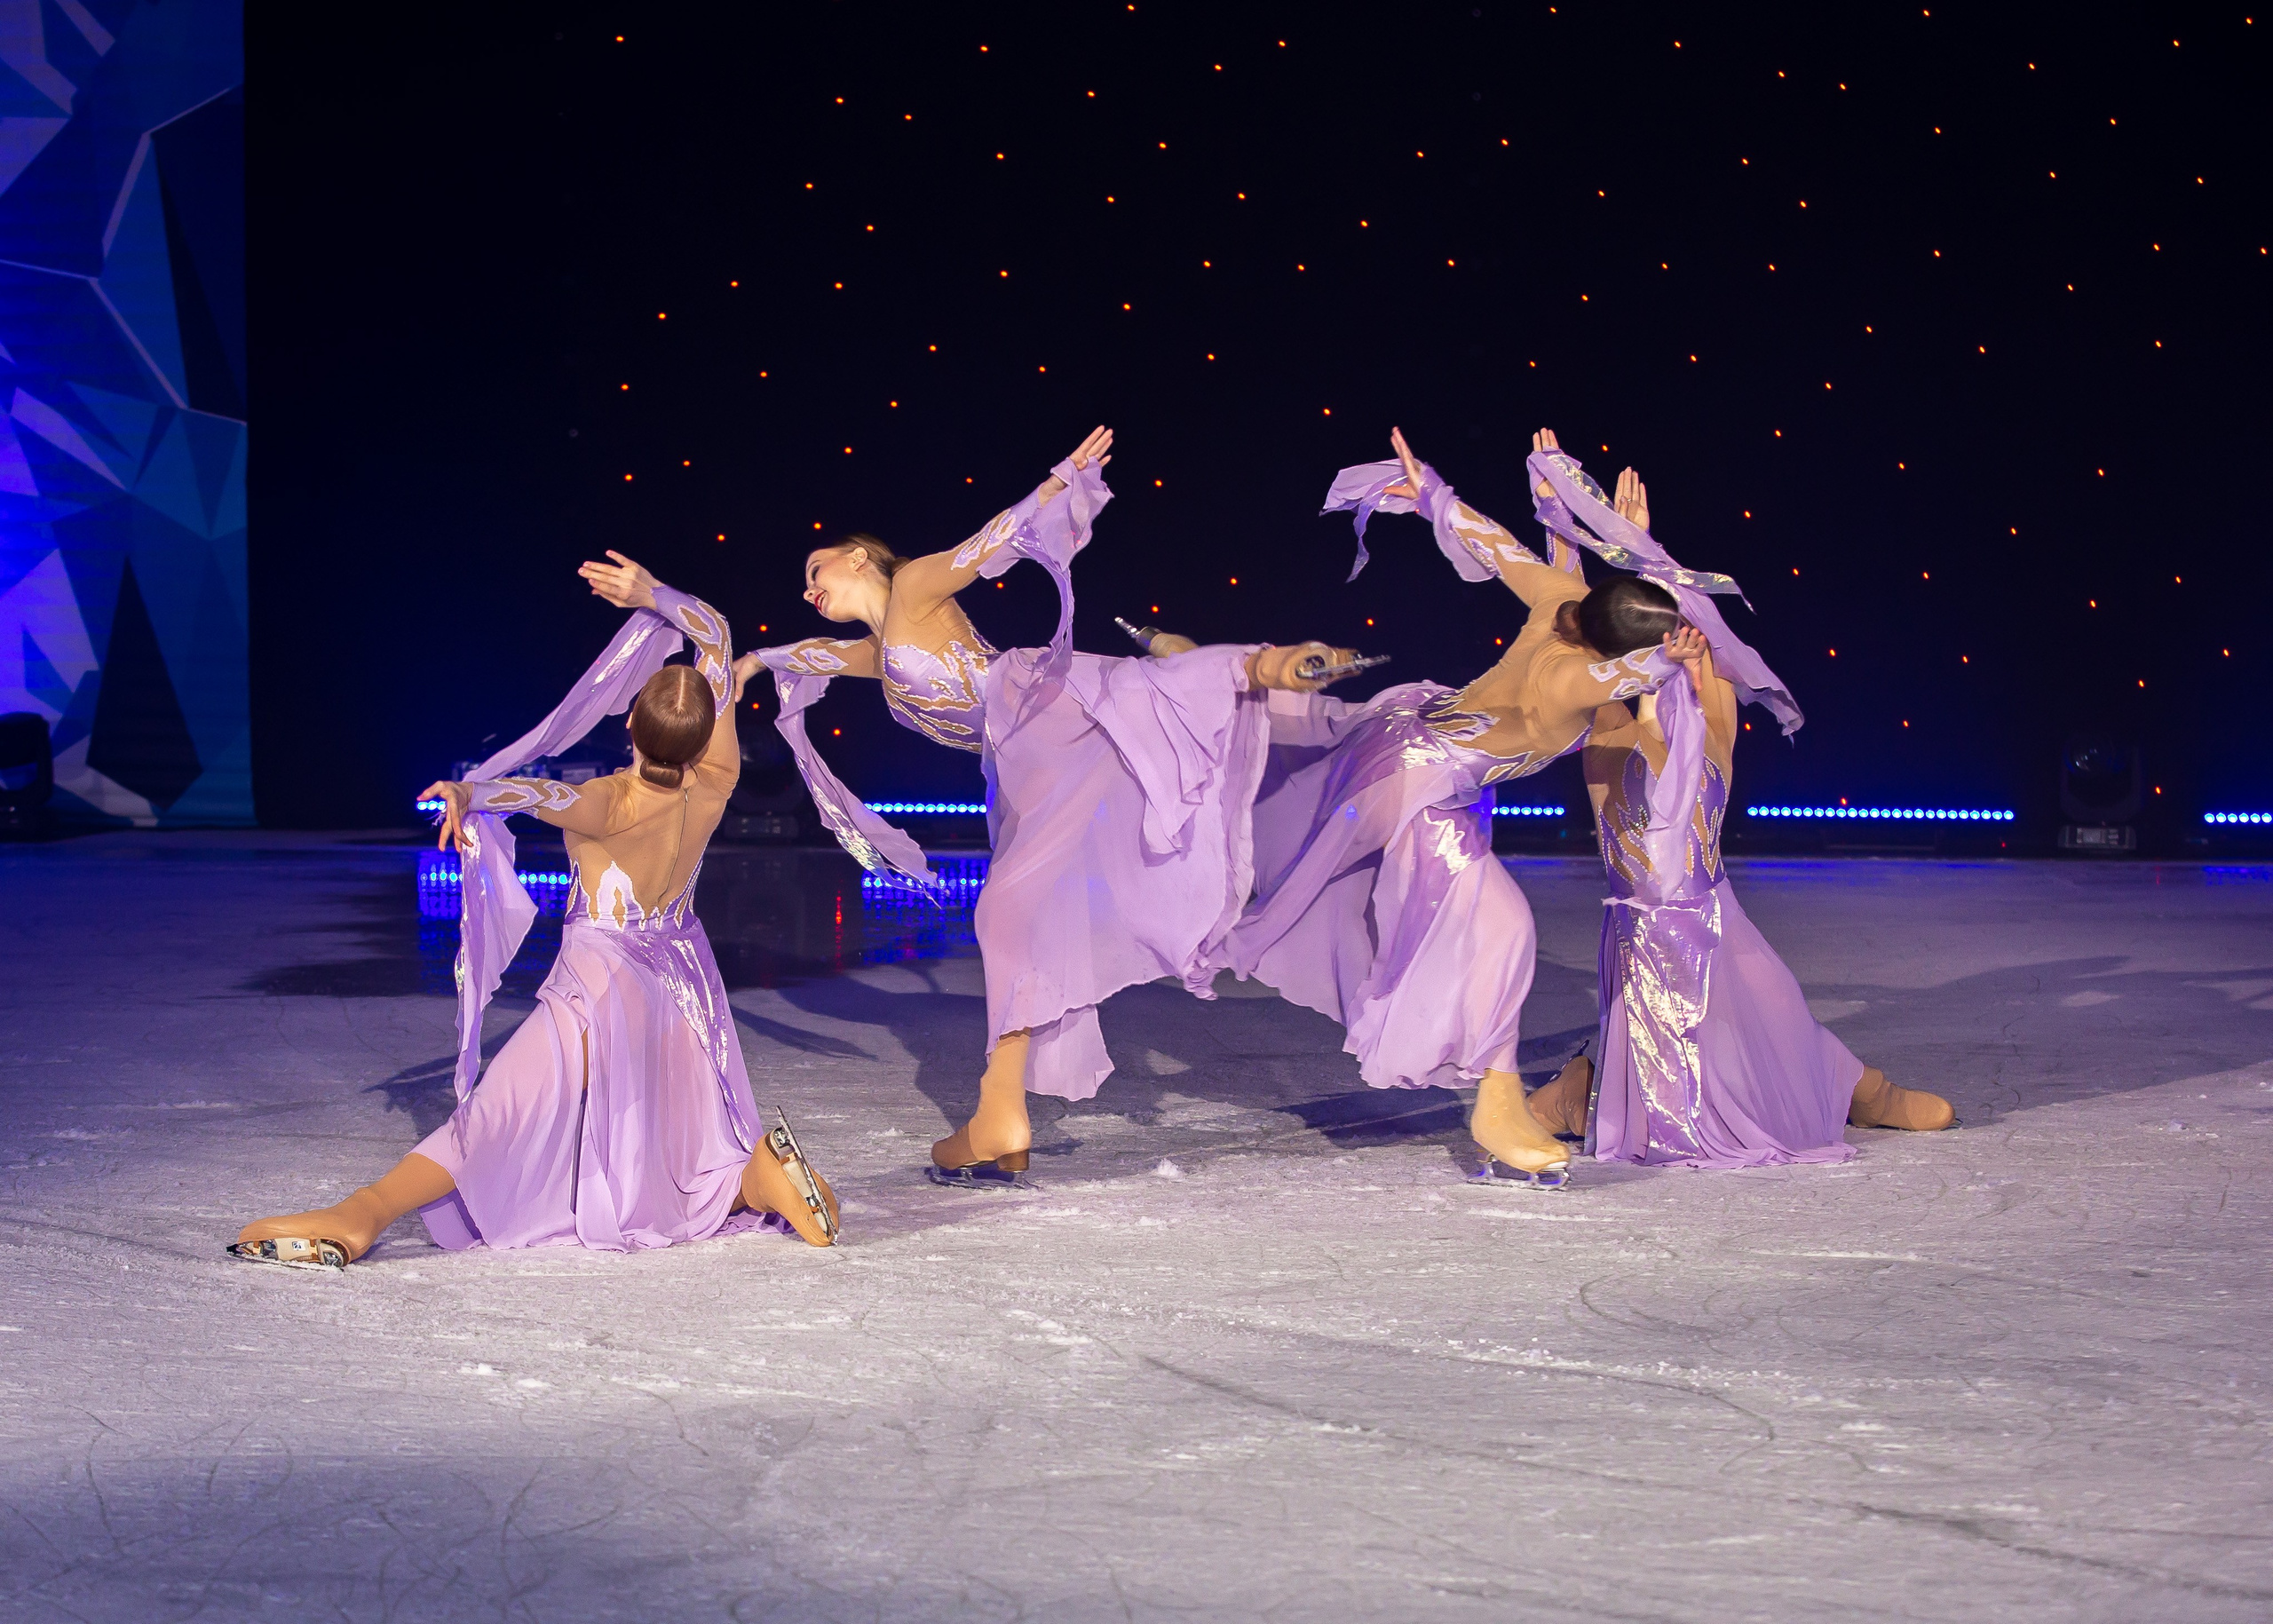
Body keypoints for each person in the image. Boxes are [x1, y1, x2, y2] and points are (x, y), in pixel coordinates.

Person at [737, 426, 1353, 1184]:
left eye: (815, 567)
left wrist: (1057, 485)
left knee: (1134, 709)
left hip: (1035, 706)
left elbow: (987, 542)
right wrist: (751, 660)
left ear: (859, 556)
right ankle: (1002, 1113)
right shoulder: (877, 652)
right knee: (1010, 917)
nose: (808, 585)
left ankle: (1267, 668)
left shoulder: (915, 587)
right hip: (1022, 762)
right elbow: (812, 655)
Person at [232, 556, 838, 1268]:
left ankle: (360, 1213)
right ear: (706, 732)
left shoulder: (608, 801)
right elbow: (718, 634)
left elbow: (532, 793)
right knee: (671, 1138)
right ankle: (756, 1178)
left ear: (631, 723)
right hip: (683, 979)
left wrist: (469, 792)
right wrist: (655, 594)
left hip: (602, 983)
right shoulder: (717, 777)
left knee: (496, 1113)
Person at [1208, 427, 1699, 1187]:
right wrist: (1668, 655)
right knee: (1503, 927)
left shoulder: (1562, 598)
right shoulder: (1573, 678)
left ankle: (1487, 1085)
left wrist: (1435, 495)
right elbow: (1623, 674)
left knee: (1462, 925)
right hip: (1420, 786)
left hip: (1423, 748)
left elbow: (1496, 544)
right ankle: (1497, 1103)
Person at [1531, 463, 1956, 1163]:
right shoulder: (1608, 737)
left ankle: (1861, 1087)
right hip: (1646, 948)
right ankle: (1581, 1089)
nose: (1691, 646)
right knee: (1684, 1085)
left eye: (1691, 638)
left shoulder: (1715, 716)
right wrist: (1561, 532)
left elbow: (1683, 636)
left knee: (1778, 1014)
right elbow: (1571, 645)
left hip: (1720, 922)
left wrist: (1640, 548)